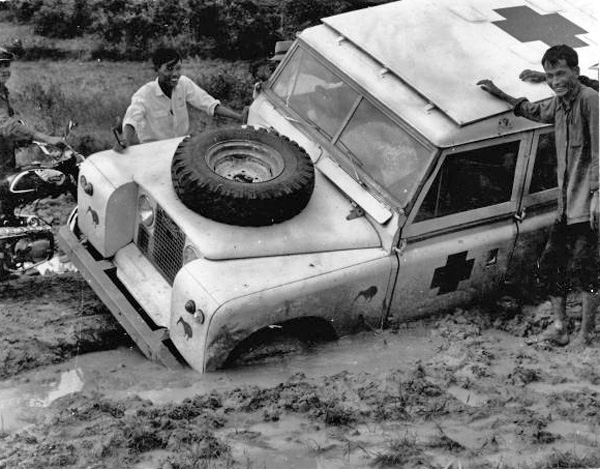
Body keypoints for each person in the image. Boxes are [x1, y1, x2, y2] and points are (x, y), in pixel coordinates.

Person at [478, 44, 599, 347]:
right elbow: (531, 110)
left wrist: (598, 194)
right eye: (549, 76)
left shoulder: (591, 101)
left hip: (589, 203)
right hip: (565, 204)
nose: (555, 81)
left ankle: (584, 335)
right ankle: (560, 327)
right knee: (550, 265)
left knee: (586, 270)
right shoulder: (557, 105)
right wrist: (501, 94)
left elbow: (599, 151)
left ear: (576, 72)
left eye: (561, 74)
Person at [116, 47, 246, 150]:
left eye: (178, 69)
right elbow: (132, 118)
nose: (175, 74)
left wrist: (239, 117)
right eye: (169, 69)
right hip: (153, 151)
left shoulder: (184, 84)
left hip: (181, 148)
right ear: (157, 69)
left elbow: (209, 104)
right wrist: (126, 140)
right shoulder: (144, 94)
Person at [1, 46, 66, 222]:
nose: (4, 70)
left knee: (7, 206)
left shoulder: (2, 91)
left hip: (4, 160)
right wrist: (46, 138)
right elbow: (6, 126)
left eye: (6, 65)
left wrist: (23, 139)